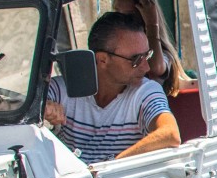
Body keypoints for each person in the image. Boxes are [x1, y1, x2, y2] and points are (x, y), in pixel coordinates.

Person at [43, 11, 181, 164]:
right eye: (136, 59)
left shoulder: (146, 92)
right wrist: (45, 108)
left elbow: (170, 134)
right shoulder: (64, 88)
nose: (146, 67)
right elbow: (23, 106)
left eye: (147, 56)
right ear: (102, 60)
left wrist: (110, 166)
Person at [112, 0, 191, 97]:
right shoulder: (115, 49)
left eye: (129, 16)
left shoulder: (162, 53)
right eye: (116, 14)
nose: (120, 21)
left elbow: (155, 68)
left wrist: (152, 25)